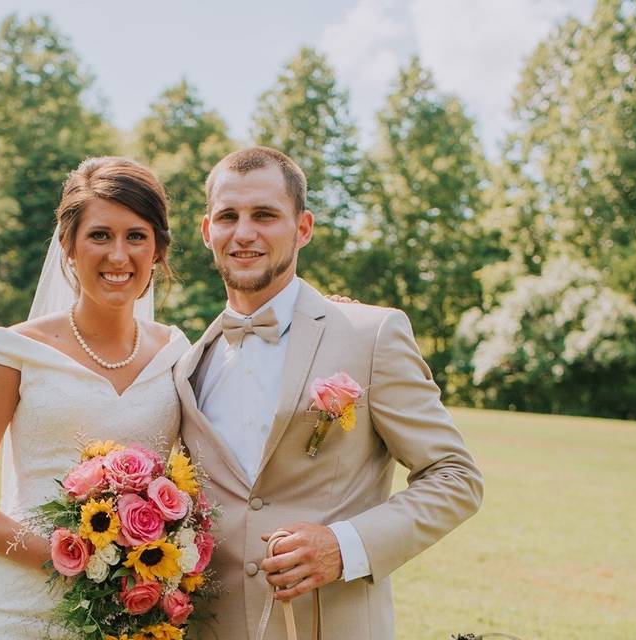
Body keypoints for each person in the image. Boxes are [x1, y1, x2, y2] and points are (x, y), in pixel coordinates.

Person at [176, 147, 483, 640]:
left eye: (265, 215)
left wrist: (345, 546)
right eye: (229, 216)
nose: (244, 232)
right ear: (207, 229)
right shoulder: (190, 361)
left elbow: (455, 477)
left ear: (303, 228)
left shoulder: (372, 335)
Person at [0, 157, 190, 638]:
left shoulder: (178, 355)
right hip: (18, 612)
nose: (118, 256)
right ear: (68, 245)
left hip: (132, 616)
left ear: (157, 250)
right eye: (99, 235)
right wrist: (59, 558)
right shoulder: (15, 351)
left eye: (136, 236)